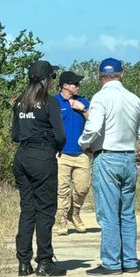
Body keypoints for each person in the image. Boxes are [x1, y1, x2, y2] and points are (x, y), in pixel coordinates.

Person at [78, 57, 140, 275]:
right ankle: (130, 260)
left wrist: (83, 143)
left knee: (108, 214)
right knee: (127, 213)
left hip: (107, 156)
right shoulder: (134, 99)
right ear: (121, 75)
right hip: (128, 157)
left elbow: (94, 127)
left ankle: (111, 262)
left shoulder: (100, 98)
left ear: (99, 76)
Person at [11, 60, 67, 277]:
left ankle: (23, 263)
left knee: (27, 209)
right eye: (52, 77)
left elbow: (15, 135)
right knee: (45, 210)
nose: (52, 81)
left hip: (22, 157)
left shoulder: (19, 102)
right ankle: (44, 261)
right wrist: (56, 146)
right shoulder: (49, 102)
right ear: (46, 79)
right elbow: (61, 135)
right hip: (42, 157)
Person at [55, 71, 91, 236]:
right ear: (65, 86)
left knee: (82, 188)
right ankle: (61, 219)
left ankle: (74, 213)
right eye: (75, 84)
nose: (78, 86)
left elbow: (94, 122)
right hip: (61, 153)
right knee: (62, 190)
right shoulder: (54, 102)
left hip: (81, 153)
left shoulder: (83, 101)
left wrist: (82, 109)